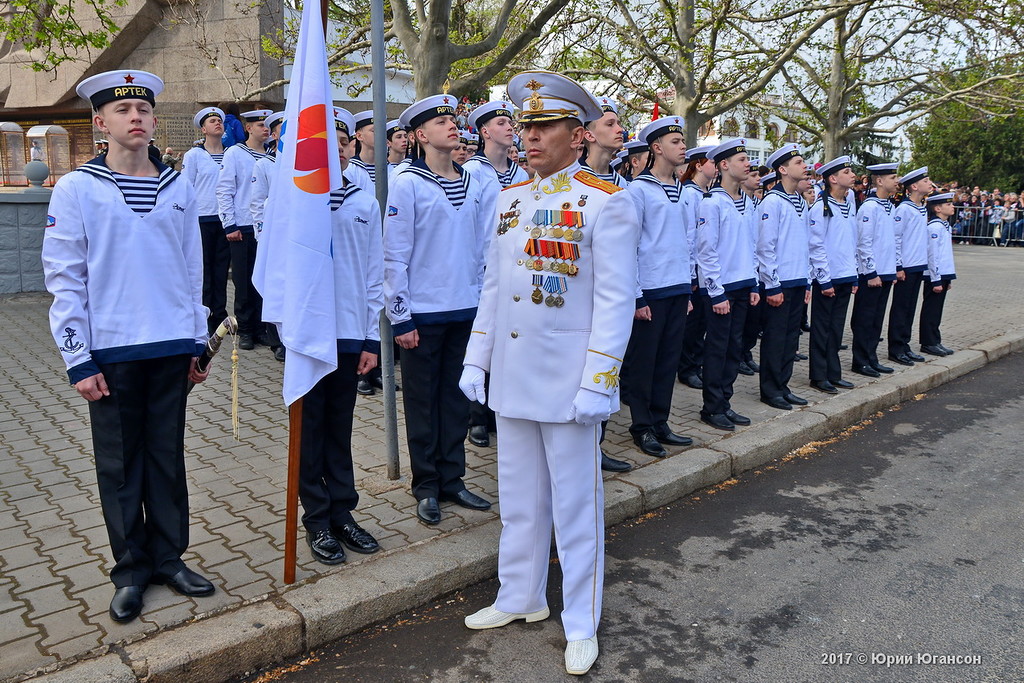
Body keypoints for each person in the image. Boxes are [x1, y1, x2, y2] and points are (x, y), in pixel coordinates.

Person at [460, 70, 639, 676]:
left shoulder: (606, 203)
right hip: (512, 376)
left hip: (568, 381)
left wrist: (600, 380)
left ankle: (581, 619)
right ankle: (521, 596)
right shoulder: (510, 200)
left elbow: (615, 303)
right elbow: (494, 287)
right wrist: (476, 358)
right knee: (519, 499)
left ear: (577, 133)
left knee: (575, 506)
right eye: (524, 126)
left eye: (544, 127)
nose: (528, 137)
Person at [41, 69, 213, 625]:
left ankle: (169, 558)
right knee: (119, 466)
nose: (134, 117)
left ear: (154, 120)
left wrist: (197, 341)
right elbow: (64, 279)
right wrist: (77, 357)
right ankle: (131, 571)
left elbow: (193, 271)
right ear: (100, 122)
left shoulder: (178, 187)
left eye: (142, 109)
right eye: (122, 110)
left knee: (166, 457)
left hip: (169, 346)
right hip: (111, 351)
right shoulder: (77, 188)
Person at [384, 93, 493, 526]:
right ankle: (426, 485)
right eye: (440, 120)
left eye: (453, 118)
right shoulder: (407, 181)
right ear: (419, 135)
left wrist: (486, 305)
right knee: (423, 404)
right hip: (423, 315)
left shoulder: (475, 182)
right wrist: (401, 316)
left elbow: (485, 249)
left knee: (456, 400)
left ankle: (453, 478)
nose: (451, 125)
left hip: (465, 309)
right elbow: (394, 254)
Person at [298, 108, 385, 565]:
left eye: (340, 140)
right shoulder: (294, 200)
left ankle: (342, 512)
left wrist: (371, 339)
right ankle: (316, 518)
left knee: (340, 427)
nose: (333, 148)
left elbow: (374, 276)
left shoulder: (365, 202)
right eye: (322, 141)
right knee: (309, 430)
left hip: (350, 333)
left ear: (351, 147)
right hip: (307, 335)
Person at [621, 116, 694, 457]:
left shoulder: (683, 191)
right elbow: (629, 246)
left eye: (682, 141)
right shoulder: (638, 190)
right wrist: (636, 294)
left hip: (677, 287)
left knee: (668, 359)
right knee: (644, 362)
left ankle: (661, 420)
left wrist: (689, 286)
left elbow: (688, 241)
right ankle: (642, 425)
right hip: (650, 289)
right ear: (656, 147)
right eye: (676, 142)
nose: (683, 147)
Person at [462, 100, 530, 449]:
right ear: (485, 131)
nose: (510, 127)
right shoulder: (472, 171)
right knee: (482, 341)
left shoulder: (521, 176)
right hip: (482, 270)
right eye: (502, 122)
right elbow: (471, 228)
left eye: (510, 122)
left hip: (515, 270)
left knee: (507, 341)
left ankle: (498, 409)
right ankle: (477, 416)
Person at [696, 138, 760, 430]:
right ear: (724, 165)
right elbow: (706, 251)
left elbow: (753, 245)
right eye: (742, 159)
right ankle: (712, 407)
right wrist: (716, 291)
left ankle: (725, 401)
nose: (748, 164)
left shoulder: (749, 202)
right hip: (722, 289)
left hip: (744, 285)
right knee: (718, 348)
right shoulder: (712, 202)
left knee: (734, 348)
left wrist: (755, 283)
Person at [756, 143, 811, 411]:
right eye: (799, 162)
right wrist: (772, 284)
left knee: (791, 338)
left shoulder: (800, 201)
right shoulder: (772, 201)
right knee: (775, 338)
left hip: (798, 280)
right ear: (782, 169)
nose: (805, 165)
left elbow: (806, 245)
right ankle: (770, 389)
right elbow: (765, 247)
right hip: (779, 283)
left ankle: (783, 385)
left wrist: (807, 280)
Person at [216, 109, 272, 351]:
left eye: (267, 125)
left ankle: (263, 328)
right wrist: (229, 223)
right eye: (260, 124)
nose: (265, 129)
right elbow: (225, 189)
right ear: (248, 128)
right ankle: (245, 329)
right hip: (243, 226)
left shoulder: (274, 155)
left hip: (268, 228)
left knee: (263, 281)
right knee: (243, 281)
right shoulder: (235, 153)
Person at [807, 156, 860, 394]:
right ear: (833, 178)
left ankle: (833, 372)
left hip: (845, 275)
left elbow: (852, 242)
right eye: (847, 172)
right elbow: (816, 245)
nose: (853, 176)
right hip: (827, 278)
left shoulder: (849, 204)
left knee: (836, 328)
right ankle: (819, 375)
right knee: (822, 327)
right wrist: (823, 278)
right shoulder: (821, 207)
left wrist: (854, 274)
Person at [181, 106, 230, 336]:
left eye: (219, 120)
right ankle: (204, 316)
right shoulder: (194, 156)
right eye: (212, 121)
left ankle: (219, 317)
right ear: (203, 129)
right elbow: (185, 188)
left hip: (226, 220)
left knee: (221, 271)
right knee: (204, 271)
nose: (217, 123)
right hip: (202, 219)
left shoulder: (231, 154)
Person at [849, 162, 899, 378]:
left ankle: (871, 357)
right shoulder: (869, 207)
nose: (897, 181)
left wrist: (893, 269)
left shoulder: (889, 206)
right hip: (872, 274)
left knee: (877, 318)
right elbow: (864, 242)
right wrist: (870, 272)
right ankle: (860, 361)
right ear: (879, 181)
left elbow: (892, 241)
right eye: (893, 177)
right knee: (865, 318)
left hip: (885, 271)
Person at [677, 144, 715, 390]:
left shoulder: (705, 193)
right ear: (698, 165)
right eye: (711, 161)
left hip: (704, 269)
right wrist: (691, 272)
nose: (716, 166)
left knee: (701, 322)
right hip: (695, 269)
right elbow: (690, 235)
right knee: (693, 325)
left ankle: (695, 364)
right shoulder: (690, 193)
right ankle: (688, 367)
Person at [887, 167, 934, 366]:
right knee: (901, 308)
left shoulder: (921, 207)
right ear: (914, 186)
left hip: (917, 265)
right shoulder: (904, 209)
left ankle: (905, 345)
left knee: (910, 309)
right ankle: (896, 348)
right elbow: (896, 238)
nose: (930, 184)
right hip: (906, 266)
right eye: (926, 181)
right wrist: (898, 265)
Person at [920, 192, 957, 356]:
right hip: (935, 276)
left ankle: (935, 340)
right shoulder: (934, 227)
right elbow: (933, 255)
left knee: (937, 310)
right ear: (937, 208)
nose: (952, 206)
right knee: (931, 310)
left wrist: (948, 278)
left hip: (943, 275)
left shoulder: (944, 225)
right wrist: (936, 279)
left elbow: (945, 255)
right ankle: (928, 342)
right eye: (948, 204)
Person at [738, 164, 764, 376]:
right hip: (737, 273)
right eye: (752, 175)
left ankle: (746, 353)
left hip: (752, 273)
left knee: (751, 322)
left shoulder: (754, 203)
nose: (756, 179)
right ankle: (739, 356)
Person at [579, 96, 627, 187]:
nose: (620, 129)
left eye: (618, 124)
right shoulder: (571, 180)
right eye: (610, 124)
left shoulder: (623, 184)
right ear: (589, 135)